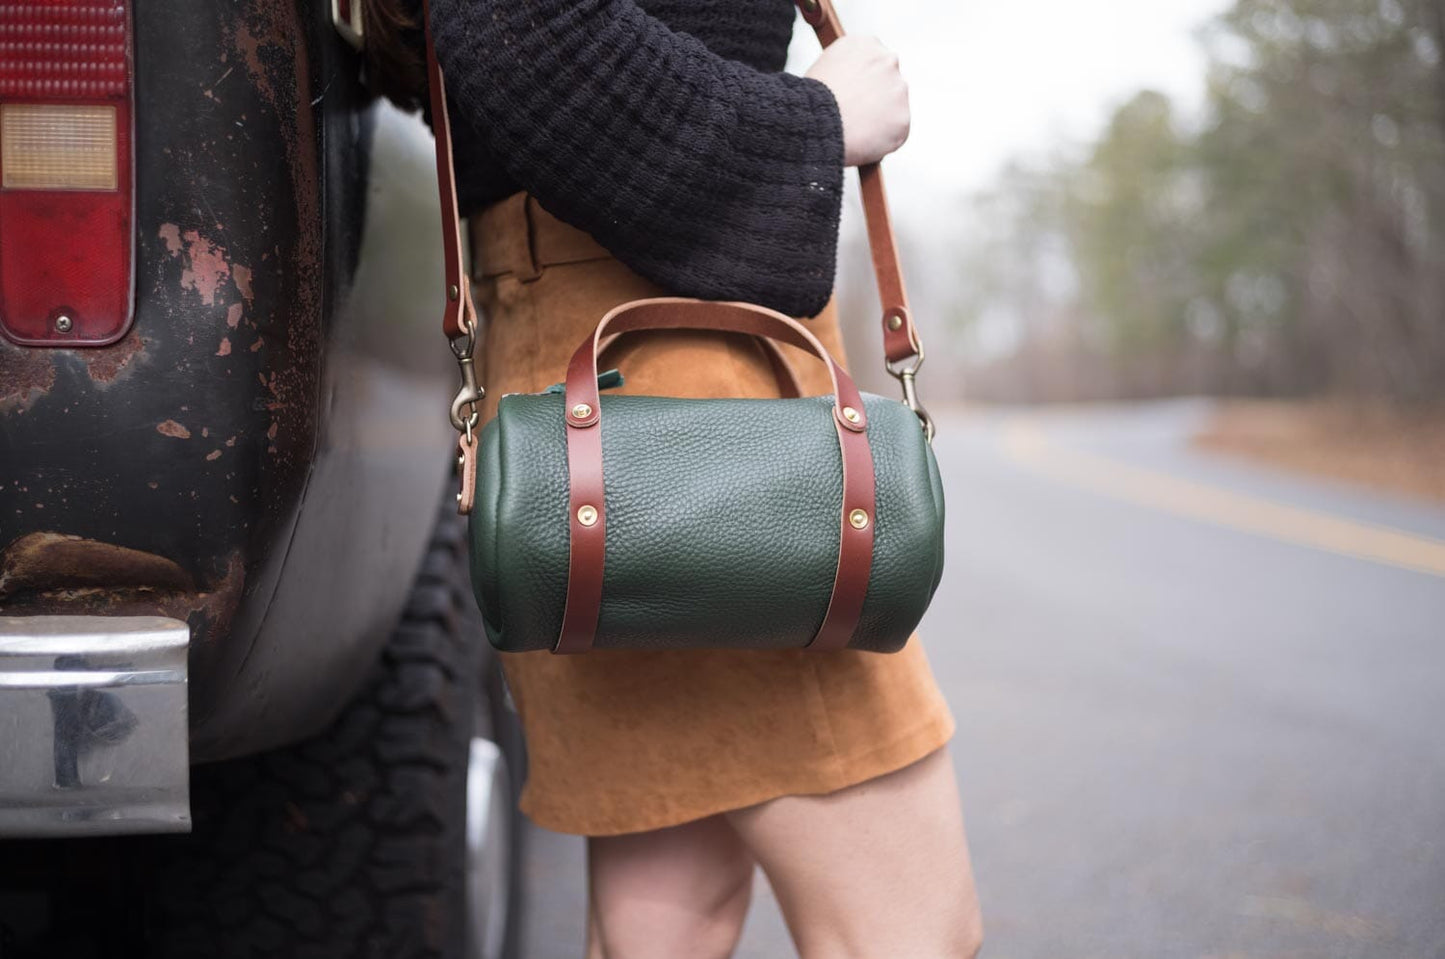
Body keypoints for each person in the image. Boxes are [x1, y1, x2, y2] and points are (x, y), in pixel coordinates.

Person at [363, 1, 983, 956]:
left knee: (670, 916)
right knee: (907, 927)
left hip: (592, 379)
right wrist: (813, 126)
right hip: (679, 356)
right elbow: (521, 28)